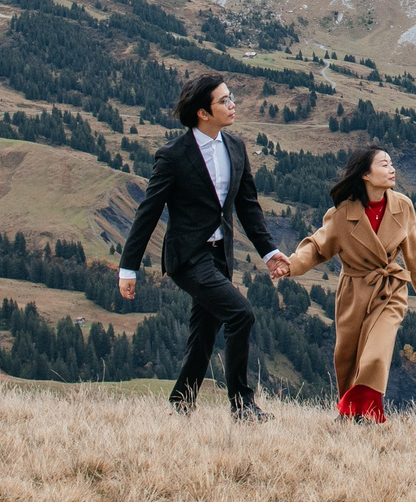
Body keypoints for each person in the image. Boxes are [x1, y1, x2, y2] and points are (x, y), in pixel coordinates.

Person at [116, 73, 292, 418]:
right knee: (241, 314)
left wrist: (269, 252)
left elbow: (248, 206)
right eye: (224, 100)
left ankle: (180, 405)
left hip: (219, 256)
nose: (232, 104)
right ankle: (242, 405)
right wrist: (128, 268)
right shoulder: (173, 155)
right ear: (202, 113)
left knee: (204, 334)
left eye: (231, 97)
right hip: (188, 256)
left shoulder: (236, 147)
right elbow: (148, 212)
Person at [284, 146, 416, 422]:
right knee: (348, 359)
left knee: (375, 357)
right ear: (366, 174)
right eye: (385, 164)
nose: (392, 170)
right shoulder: (342, 213)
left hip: (389, 290)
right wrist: (291, 265)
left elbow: (413, 250)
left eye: (391, 164)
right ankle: (353, 416)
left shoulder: (403, 206)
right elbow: (318, 247)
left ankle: (358, 411)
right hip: (354, 290)